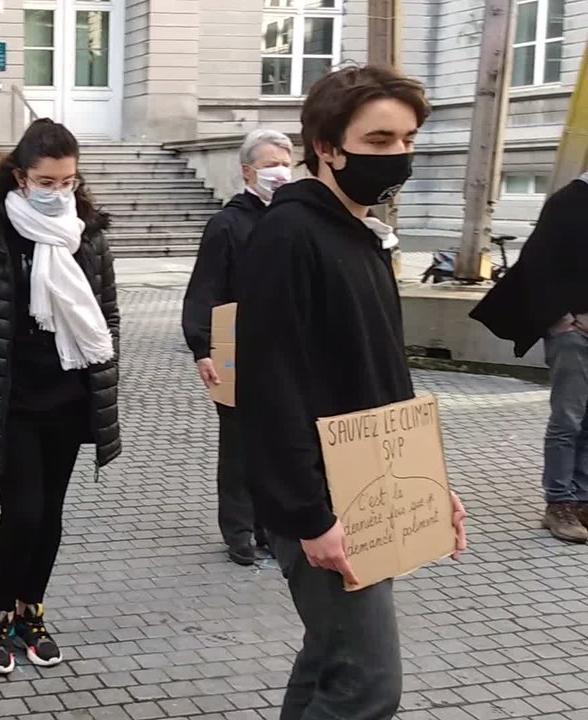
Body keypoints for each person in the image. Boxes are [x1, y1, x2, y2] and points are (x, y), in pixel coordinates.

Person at [235, 65, 468, 720]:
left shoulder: (357, 232)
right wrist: (309, 517)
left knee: (329, 662)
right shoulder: (290, 237)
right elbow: (269, 387)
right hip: (327, 502)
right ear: (328, 148)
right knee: (367, 687)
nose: (399, 155)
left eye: (408, 140)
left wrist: (428, 479)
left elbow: (379, 374)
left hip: (373, 487)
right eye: (381, 140)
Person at [0, 119, 121, 676]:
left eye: (68, 181)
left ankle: (30, 614)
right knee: (23, 512)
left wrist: (104, 372)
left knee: (51, 515)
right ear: (20, 176)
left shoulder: (88, 234)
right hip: (10, 400)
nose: (58, 191)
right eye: (46, 180)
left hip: (67, 396)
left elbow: (106, 313)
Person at [181, 129, 293, 566]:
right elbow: (204, 287)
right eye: (269, 165)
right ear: (247, 171)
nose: (279, 171)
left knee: (280, 442)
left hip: (287, 351)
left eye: (285, 162)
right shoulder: (227, 223)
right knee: (242, 445)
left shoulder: (294, 219)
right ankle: (239, 530)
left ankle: (270, 525)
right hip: (237, 350)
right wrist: (202, 348)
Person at [471, 177, 588, 542]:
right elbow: (539, 266)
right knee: (568, 418)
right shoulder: (569, 201)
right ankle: (559, 503)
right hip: (573, 333)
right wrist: (566, 320)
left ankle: (583, 499)